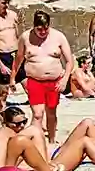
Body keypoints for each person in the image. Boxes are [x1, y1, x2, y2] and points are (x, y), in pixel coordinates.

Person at [21, 10, 74, 143]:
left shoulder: (59, 37)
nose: (43, 32)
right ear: (34, 26)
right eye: (40, 29)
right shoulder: (25, 37)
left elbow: (69, 61)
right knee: (38, 114)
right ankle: (36, 142)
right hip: (34, 80)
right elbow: (18, 60)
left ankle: (51, 140)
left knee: (51, 113)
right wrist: (15, 79)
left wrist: (65, 79)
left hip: (54, 81)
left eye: (46, 29)